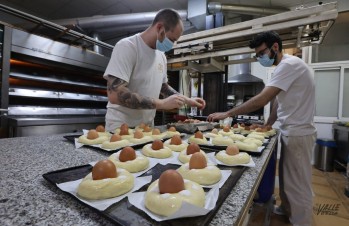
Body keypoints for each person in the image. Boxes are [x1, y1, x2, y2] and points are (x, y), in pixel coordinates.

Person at [207, 31, 316, 226]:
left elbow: (264, 98)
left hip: (299, 132)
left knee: (298, 184)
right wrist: (268, 124)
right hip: (291, 130)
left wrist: (228, 113)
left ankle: (302, 222)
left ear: (275, 47)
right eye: (257, 55)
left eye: (261, 53)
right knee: (288, 180)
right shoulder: (284, 67)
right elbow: (277, 102)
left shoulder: (288, 65)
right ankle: (286, 210)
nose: (260, 58)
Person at [104, 9, 205, 131]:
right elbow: (114, 94)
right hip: (121, 127)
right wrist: (162, 104)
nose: (172, 45)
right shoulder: (128, 47)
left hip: (146, 127)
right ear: (159, 28)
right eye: (172, 40)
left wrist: (187, 100)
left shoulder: (161, 56)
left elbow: (164, 87)